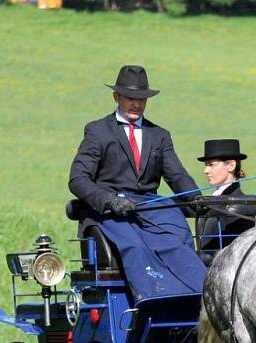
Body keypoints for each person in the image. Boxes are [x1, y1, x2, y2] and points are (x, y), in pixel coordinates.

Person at [68, 65, 199, 230]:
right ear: (116, 97)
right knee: (136, 250)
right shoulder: (98, 132)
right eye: (131, 98)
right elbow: (78, 180)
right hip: (109, 218)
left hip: (151, 215)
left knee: (181, 240)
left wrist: (197, 198)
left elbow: (178, 176)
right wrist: (110, 201)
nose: (137, 104)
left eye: (142, 99)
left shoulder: (159, 135)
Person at [195, 139, 256, 265]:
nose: (206, 170)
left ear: (231, 165)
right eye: (206, 165)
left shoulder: (242, 203)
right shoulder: (210, 200)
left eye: (211, 164)